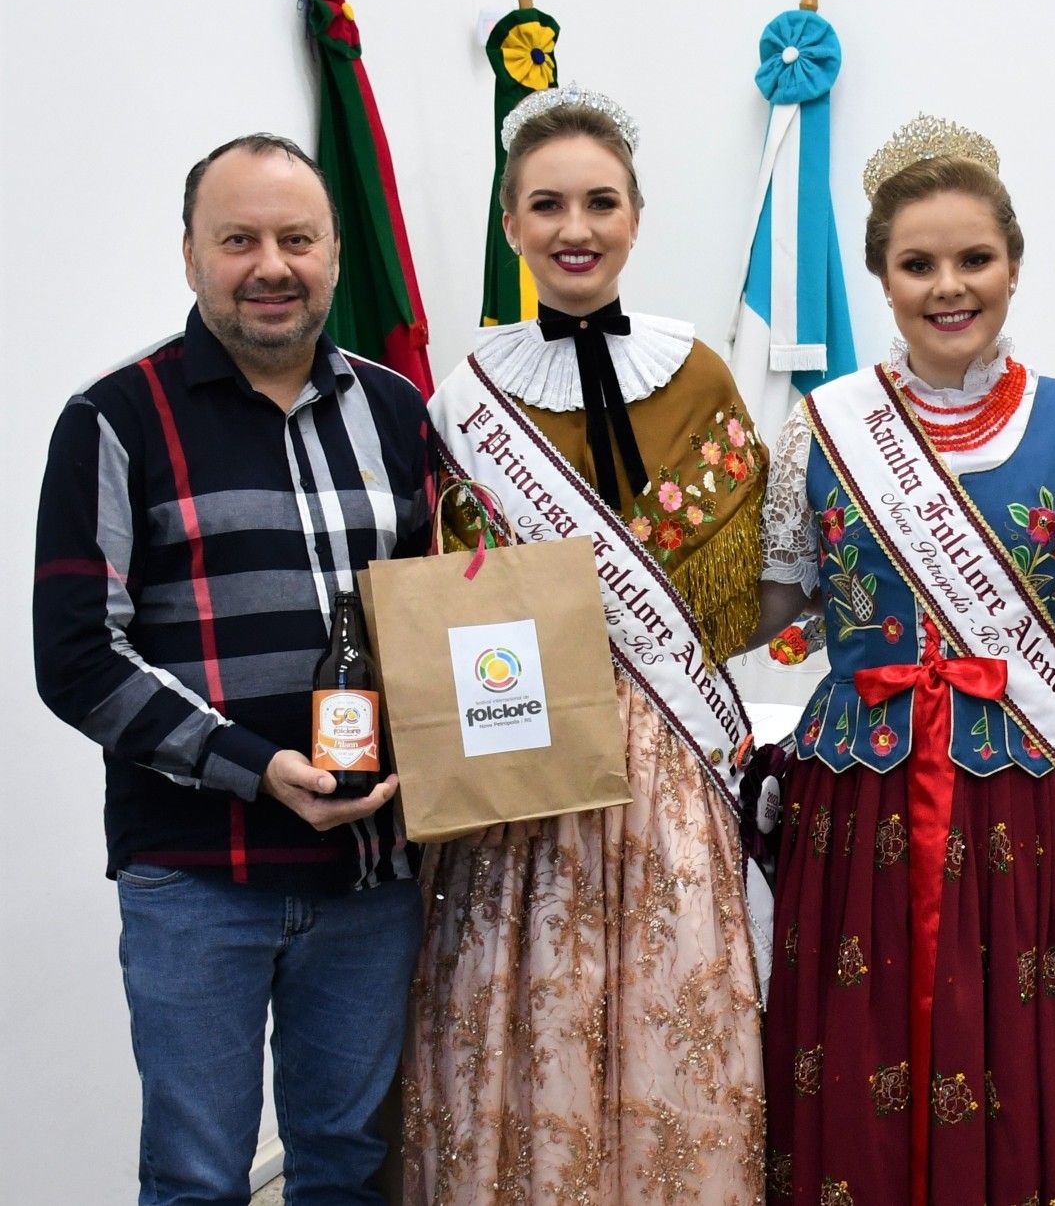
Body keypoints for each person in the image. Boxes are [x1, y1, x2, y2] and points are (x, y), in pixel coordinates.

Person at [755, 114, 1055, 1206]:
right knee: (864, 1044)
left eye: (974, 259)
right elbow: (769, 605)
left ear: (1012, 265)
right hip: (861, 795)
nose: (949, 286)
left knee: (1030, 1052)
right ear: (882, 277)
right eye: (918, 265)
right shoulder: (821, 426)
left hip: (1030, 793)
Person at [33, 133, 430, 1203]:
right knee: (199, 1177)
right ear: (190, 254)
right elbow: (76, 654)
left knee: (346, 1168)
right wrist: (257, 767)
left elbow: (435, 622)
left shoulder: (396, 411)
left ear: (333, 253)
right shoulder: (114, 418)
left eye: (296, 239)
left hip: (369, 874)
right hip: (196, 877)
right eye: (238, 240)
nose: (271, 265)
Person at [406, 87, 768, 1203]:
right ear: (510, 223)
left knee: (676, 1005)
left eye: (601, 203)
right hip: (522, 757)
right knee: (526, 1007)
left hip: (667, 755)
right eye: (548, 205)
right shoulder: (465, 399)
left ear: (636, 218)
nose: (577, 228)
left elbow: (735, 598)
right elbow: (452, 601)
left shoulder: (697, 372)